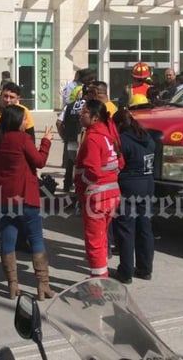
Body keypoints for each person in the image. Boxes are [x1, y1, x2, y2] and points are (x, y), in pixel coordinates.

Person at [0, 105, 54, 300]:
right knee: (36, 240)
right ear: (16, 121)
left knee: (8, 240)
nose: (26, 122)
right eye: (24, 119)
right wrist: (46, 142)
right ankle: (43, 286)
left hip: (3, 197)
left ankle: (13, 286)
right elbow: (39, 161)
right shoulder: (23, 139)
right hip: (25, 196)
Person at [0, 81, 35, 255]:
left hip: (20, 170)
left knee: (21, 204)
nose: (7, 100)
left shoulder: (24, 113)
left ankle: (21, 241)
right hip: (0, 170)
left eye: (11, 97)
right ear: (0, 96)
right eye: (5, 96)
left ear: (18, 98)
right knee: (0, 204)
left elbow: (31, 138)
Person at [75, 99, 124, 278]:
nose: (81, 114)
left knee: (94, 241)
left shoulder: (93, 139)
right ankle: (101, 277)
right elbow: (120, 163)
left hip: (96, 198)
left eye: (85, 111)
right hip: (111, 195)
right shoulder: (108, 134)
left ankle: (98, 285)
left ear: (95, 117)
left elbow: (93, 172)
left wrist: (82, 185)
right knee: (102, 238)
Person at [111, 108, 156, 284]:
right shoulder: (148, 138)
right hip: (147, 185)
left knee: (126, 230)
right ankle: (145, 269)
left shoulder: (122, 141)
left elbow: (117, 164)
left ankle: (126, 271)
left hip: (128, 186)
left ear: (120, 124)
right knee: (145, 228)